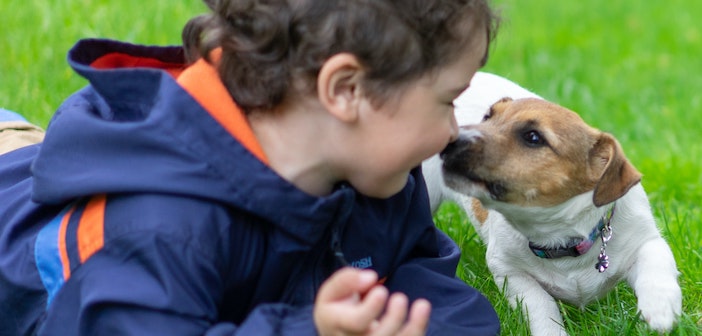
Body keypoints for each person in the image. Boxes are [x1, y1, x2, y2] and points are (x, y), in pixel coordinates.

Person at [0, 0, 501, 334]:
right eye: (448, 100)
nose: (454, 131)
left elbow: (421, 272)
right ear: (347, 90)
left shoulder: (376, 170)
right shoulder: (160, 227)